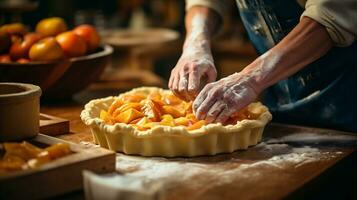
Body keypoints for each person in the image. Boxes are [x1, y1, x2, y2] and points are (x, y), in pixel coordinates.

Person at [169, 0, 357, 132]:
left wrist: (250, 79)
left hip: (347, 105)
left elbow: (334, 14)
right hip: (279, 105)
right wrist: (195, 43)